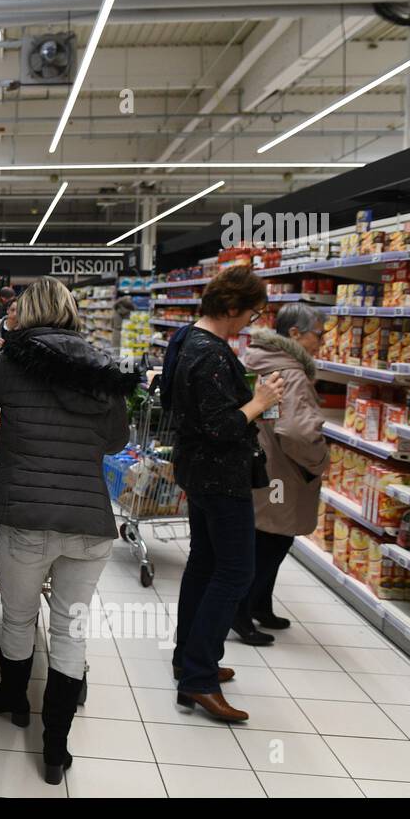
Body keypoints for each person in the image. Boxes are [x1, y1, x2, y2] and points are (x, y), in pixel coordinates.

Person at [0, 276, 136, 784]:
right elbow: (116, 441)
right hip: (90, 524)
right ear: (72, 314)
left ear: (22, 316)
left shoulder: (10, 363)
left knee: (19, 619)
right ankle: (55, 750)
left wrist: (9, 429)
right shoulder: (103, 368)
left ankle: (13, 701)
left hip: (25, 518)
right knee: (70, 630)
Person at [164, 267, 283, 723]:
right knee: (236, 572)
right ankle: (197, 678)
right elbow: (221, 427)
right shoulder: (210, 354)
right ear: (231, 307)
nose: (249, 322)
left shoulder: (184, 339)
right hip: (221, 476)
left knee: (204, 564)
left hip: (197, 471)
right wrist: (260, 400)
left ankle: (191, 658)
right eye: (250, 313)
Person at [236, 303, 330, 642]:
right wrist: (320, 460)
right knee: (271, 544)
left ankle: (259, 606)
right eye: (318, 334)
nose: (321, 341)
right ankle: (241, 613)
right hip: (282, 470)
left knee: (265, 537)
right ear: (294, 334)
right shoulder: (292, 373)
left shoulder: (263, 360)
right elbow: (295, 432)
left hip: (262, 464)